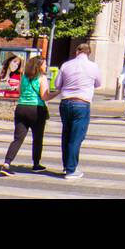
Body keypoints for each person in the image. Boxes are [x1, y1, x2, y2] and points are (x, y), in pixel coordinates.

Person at [51, 43, 102, 180]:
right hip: (82, 103)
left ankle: (66, 165)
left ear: (76, 52)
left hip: (66, 102)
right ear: (89, 53)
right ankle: (71, 169)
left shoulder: (66, 65)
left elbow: (57, 84)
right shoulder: (93, 66)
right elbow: (98, 83)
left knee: (66, 135)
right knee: (76, 137)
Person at [1, 55, 49, 176]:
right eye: (44, 64)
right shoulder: (42, 78)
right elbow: (44, 96)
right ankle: (36, 164)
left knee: (18, 138)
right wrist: (57, 93)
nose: (46, 66)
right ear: (39, 66)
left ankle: (7, 163)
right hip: (36, 109)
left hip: (21, 108)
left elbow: (19, 92)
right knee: (37, 138)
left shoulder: (24, 77)